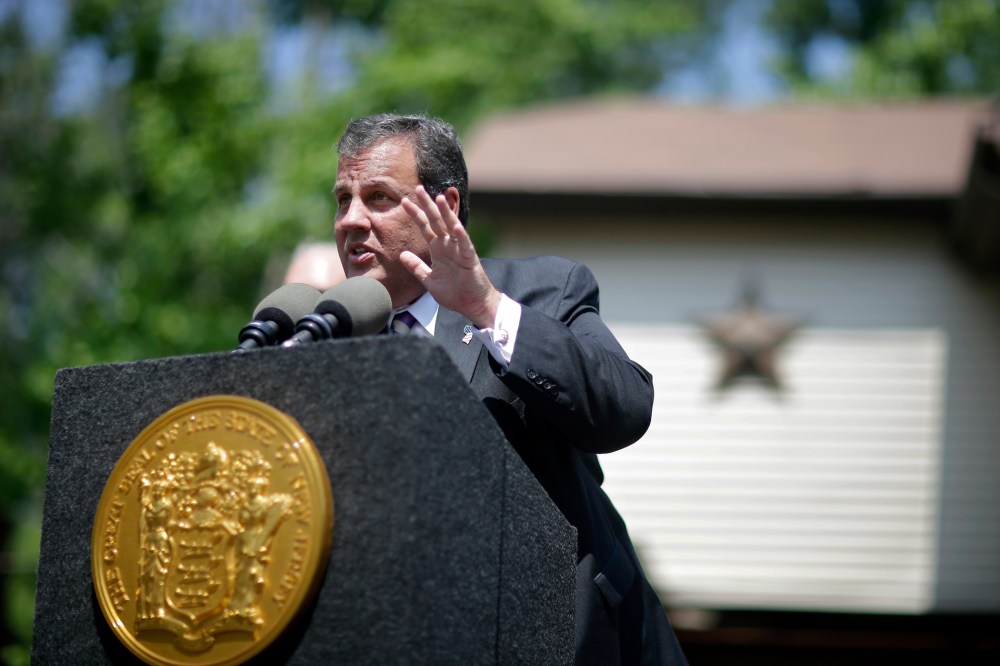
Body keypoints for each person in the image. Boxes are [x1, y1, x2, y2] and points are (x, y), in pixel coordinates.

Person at [332, 113, 688, 665]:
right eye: (342, 200)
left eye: (378, 197)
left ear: (444, 208)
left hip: (569, 640)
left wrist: (484, 306)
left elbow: (626, 407)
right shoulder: (332, 338)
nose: (351, 221)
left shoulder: (538, 291)